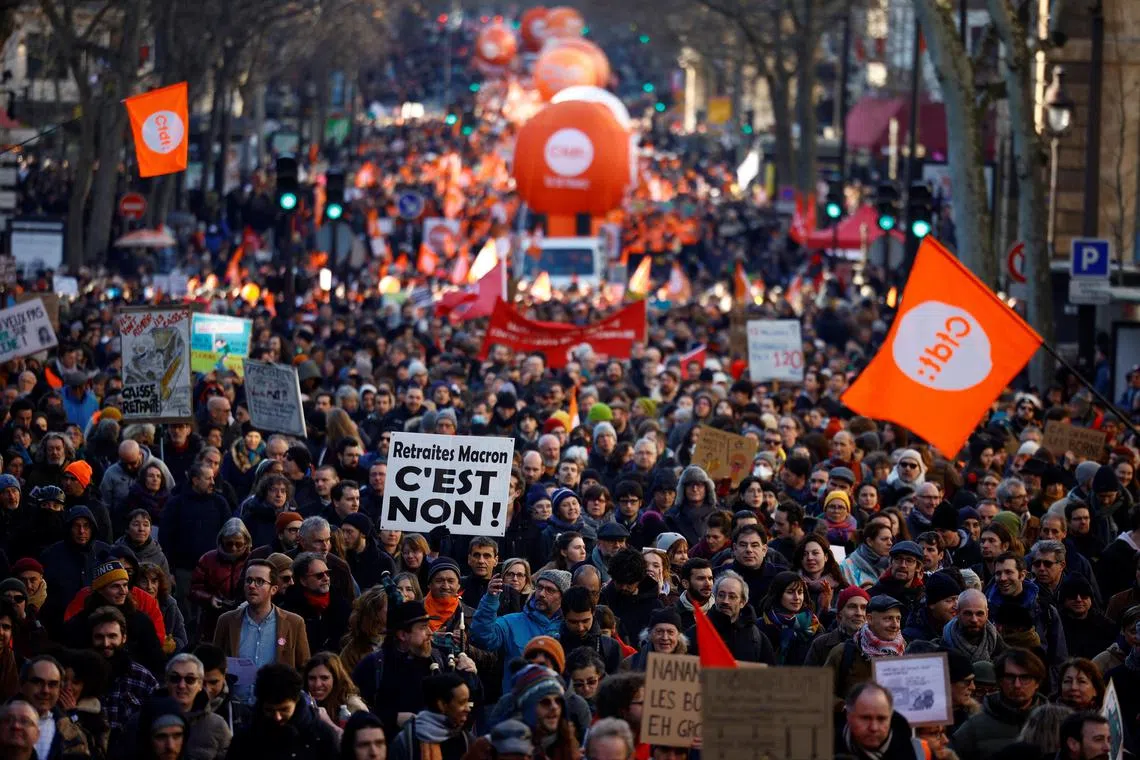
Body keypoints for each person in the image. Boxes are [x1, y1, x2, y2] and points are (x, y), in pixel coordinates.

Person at [212, 559, 310, 702]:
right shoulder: (226, 621)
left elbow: (304, 667)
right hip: (235, 705)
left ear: (274, 589)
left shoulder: (294, 623)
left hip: (276, 708)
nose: (252, 586)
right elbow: (215, 664)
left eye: (259, 581)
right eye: (249, 580)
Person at [470, 569, 567, 692]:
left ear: (563, 596)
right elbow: (482, 637)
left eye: (550, 590)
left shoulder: (570, 627)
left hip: (555, 703)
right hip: (517, 703)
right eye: (539, 587)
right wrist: (490, 600)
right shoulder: (512, 622)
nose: (542, 594)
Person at [951, 648, 1050, 760]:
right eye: (1010, 677)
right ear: (1000, 681)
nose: (1017, 685)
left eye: (1025, 678)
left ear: (1037, 682)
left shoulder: (1054, 722)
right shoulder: (973, 727)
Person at [225, 663, 340, 760]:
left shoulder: (323, 737)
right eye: (269, 710)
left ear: (297, 701)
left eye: (284, 709)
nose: (277, 717)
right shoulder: (245, 740)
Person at [161, 464, 232, 603]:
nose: (213, 482)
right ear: (195, 480)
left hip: (214, 569)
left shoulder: (219, 503)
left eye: (213, 478)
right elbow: (166, 537)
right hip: (184, 570)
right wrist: (170, 569)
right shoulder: (176, 504)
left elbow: (229, 533)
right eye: (208, 478)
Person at [89, 606, 159, 741]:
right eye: (99, 637)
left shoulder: (143, 678)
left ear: (124, 637)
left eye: (112, 636)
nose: (106, 643)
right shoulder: (80, 678)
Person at [825, 595, 906, 699]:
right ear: (870, 619)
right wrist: (845, 707)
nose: (895, 625)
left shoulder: (906, 651)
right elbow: (822, 692)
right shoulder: (843, 652)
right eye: (888, 619)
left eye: (898, 619)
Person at [686, 570, 774, 664]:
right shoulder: (694, 633)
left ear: (742, 602)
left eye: (732, 597)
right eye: (721, 595)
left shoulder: (757, 638)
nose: (725, 601)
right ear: (715, 598)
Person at [190, 519, 251, 643]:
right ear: (221, 541)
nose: (233, 548)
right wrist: (209, 598)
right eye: (229, 544)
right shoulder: (208, 559)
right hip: (214, 616)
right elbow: (194, 589)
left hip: (246, 615)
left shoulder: (253, 560)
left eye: (238, 544)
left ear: (246, 542)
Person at [18, 655, 92, 759]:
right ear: (22, 685)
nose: (45, 690)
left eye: (52, 684)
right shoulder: (4, 722)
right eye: (38, 682)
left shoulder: (71, 732)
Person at [160, 653, 232, 760]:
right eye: (175, 678)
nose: (182, 685)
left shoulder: (217, 726)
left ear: (200, 684)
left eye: (190, 679)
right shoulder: (142, 720)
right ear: (166, 681)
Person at [388, 673, 474, 760]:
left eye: (468, 702)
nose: (468, 709)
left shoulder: (466, 739)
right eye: (462, 702)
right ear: (442, 705)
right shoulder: (406, 741)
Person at [280, 552, 352, 653]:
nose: (326, 578)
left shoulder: (342, 605)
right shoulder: (288, 611)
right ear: (303, 580)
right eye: (319, 575)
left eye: (327, 573)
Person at [837, 682, 922, 760]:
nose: (874, 727)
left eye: (881, 719)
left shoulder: (908, 749)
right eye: (865, 718)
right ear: (849, 716)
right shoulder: (829, 747)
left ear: (890, 717)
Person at [596, 548, 663, 644]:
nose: (624, 587)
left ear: (640, 580)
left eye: (629, 584)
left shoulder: (654, 606)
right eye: (619, 582)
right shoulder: (604, 599)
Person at [757, 571, 820, 665]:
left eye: (800, 592)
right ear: (778, 594)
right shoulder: (761, 626)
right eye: (790, 592)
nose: (797, 597)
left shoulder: (814, 625)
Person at [557, 586, 623, 675]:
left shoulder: (610, 647)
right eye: (573, 622)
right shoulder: (554, 645)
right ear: (564, 616)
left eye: (585, 621)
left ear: (593, 612)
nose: (580, 627)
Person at [935, 589, 1008, 664]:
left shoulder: (995, 640)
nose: (974, 620)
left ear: (987, 614)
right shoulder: (943, 646)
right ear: (957, 613)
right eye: (968, 614)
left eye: (979, 614)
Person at [805, 586, 869, 666]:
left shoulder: (880, 645)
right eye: (852, 607)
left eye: (864, 608)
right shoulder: (820, 645)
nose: (859, 613)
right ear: (839, 616)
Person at [301, 652, 367, 723]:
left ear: (336, 679)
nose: (317, 684)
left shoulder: (353, 706)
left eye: (324, 678)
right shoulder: (303, 703)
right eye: (312, 678)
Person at [840, 521, 892, 589]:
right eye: (884, 539)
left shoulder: (892, 564)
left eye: (891, 539)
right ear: (869, 541)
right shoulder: (846, 566)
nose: (890, 543)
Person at [673, 558, 714, 631]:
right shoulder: (673, 614)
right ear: (685, 583)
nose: (708, 584)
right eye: (701, 579)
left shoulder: (721, 611)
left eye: (710, 578)